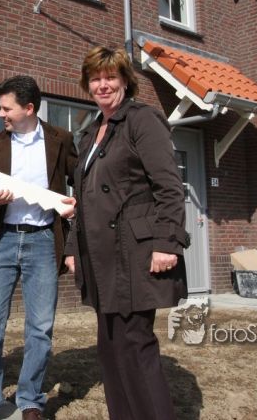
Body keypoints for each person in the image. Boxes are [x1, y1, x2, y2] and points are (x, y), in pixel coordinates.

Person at [64, 46, 189, 420]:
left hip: (134, 253)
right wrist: (72, 247)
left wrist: (167, 243)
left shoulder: (142, 120)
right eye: (95, 79)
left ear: (125, 81)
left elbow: (170, 187)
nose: (102, 85)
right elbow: (83, 198)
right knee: (110, 349)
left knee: (135, 346)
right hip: (100, 257)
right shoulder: (90, 132)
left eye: (110, 77)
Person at [0, 75, 77, 420]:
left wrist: (76, 205)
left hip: (44, 241)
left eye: (6, 108)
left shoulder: (61, 139)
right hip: (2, 240)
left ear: (29, 108)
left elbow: (83, 179)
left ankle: (30, 401)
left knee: (40, 327)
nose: (0, 114)